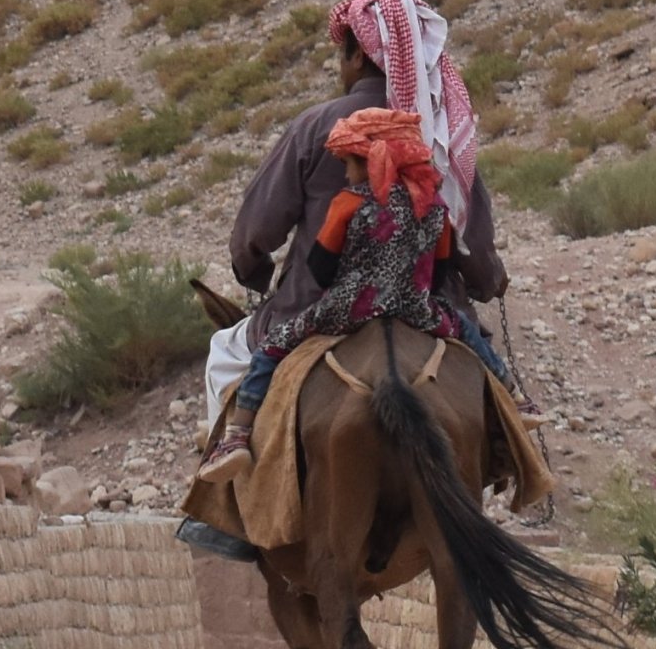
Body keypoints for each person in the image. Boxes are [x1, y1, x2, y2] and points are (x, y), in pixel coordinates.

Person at [198, 109, 539, 483]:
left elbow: (321, 268)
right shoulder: (434, 206)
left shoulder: (347, 202)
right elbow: (439, 272)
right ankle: (516, 401)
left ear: (373, 160)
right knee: (471, 338)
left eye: (349, 164)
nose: (346, 174)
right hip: (416, 308)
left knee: (271, 349)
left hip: (348, 308)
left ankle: (237, 435)